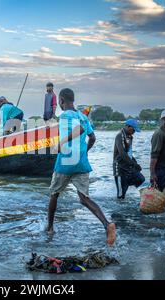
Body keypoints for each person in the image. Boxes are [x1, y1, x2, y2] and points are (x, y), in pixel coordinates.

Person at [47, 88, 116, 247]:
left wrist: (62, 142)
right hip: (81, 163)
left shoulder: (64, 116)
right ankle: (107, 225)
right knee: (84, 199)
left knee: (54, 194)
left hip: (65, 162)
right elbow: (92, 138)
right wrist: (84, 152)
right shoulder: (83, 117)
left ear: (62, 101)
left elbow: (79, 130)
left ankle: (50, 228)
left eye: (59, 102)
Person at [113, 119, 145, 199]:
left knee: (141, 179)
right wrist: (134, 164)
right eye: (133, 129)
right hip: (119, 167)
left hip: (128, 165)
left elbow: (129, 153)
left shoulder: (130, 137)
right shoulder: (119, 136)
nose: (134, 131)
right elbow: (122, 153)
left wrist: (135, 163)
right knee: (121, 195)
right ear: (128, 126)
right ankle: (120, 204)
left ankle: (126, 185)